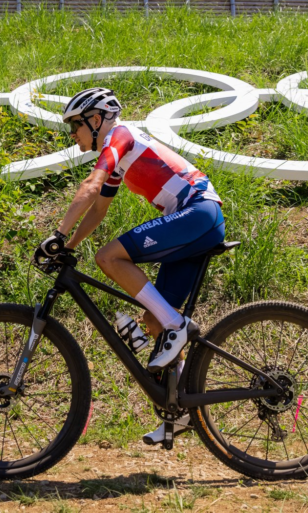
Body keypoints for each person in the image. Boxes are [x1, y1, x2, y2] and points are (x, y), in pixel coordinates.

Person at [33, 87, 226, 445]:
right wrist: (69, 247)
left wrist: (57, 233)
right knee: (154, 321)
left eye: (75, 125)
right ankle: (181, 410)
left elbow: (91, 184)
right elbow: (99, 208)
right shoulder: (123, 156)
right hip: (193, 219)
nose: (72, 135)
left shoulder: (119, 137)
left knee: (108, 257)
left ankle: (176, 325)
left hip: (197, 212)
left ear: (96, 119)